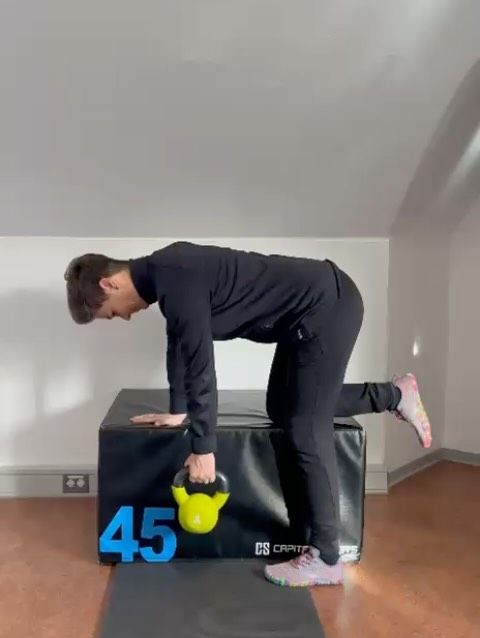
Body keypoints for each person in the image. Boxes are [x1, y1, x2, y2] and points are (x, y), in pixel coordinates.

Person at [64, 241, 432, 587]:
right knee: (281, 407)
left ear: (109, 284)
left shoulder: (174, 276)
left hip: (328, 306)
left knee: (306, 426)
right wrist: (178, 410)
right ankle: (395, 395)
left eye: (110, 313)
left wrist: (204, 448)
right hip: (303, 318)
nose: (123, 318)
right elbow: (179, 344)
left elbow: (201, 367)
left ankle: (326, 557)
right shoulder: (167, 279)